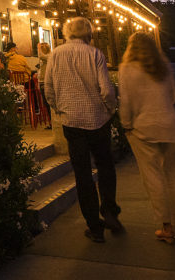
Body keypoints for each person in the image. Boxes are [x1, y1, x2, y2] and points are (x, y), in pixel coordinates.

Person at [43, 17, 122, 242]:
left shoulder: (55, 54)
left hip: (72, 121)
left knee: (82, 173)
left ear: (67, 33)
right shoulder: (95, 54)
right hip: (97, 118)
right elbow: (106, 90)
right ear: (87, 32)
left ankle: (94, 227)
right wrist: (110, 109)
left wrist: (59, 109)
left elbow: (48, 88)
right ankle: (109, 211)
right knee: (105, 166)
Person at [119, 32, 175, 244]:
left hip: (143, 129)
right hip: (169, 125)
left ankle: (166, 226)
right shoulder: (163, 65)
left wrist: (127, 126)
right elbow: (173, 96)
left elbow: (126, 104)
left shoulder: (127, 69)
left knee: (153, 177)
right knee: (173, 175)